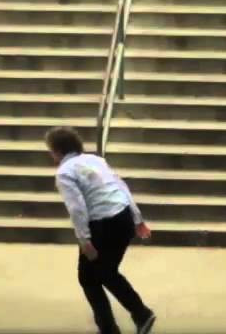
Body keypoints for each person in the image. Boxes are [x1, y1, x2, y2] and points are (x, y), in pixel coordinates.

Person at [45, 126, 156, 334]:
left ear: (58, 151)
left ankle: (125, 320)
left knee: (90, 277)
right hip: (123, 218)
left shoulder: (64, 173)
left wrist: (84, 240)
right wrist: (137, 219)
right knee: (104, 272)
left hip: (103, 225)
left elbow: (77, 207)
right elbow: (121, 186)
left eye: (51, 151)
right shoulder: (95, 160)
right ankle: (132, 317)